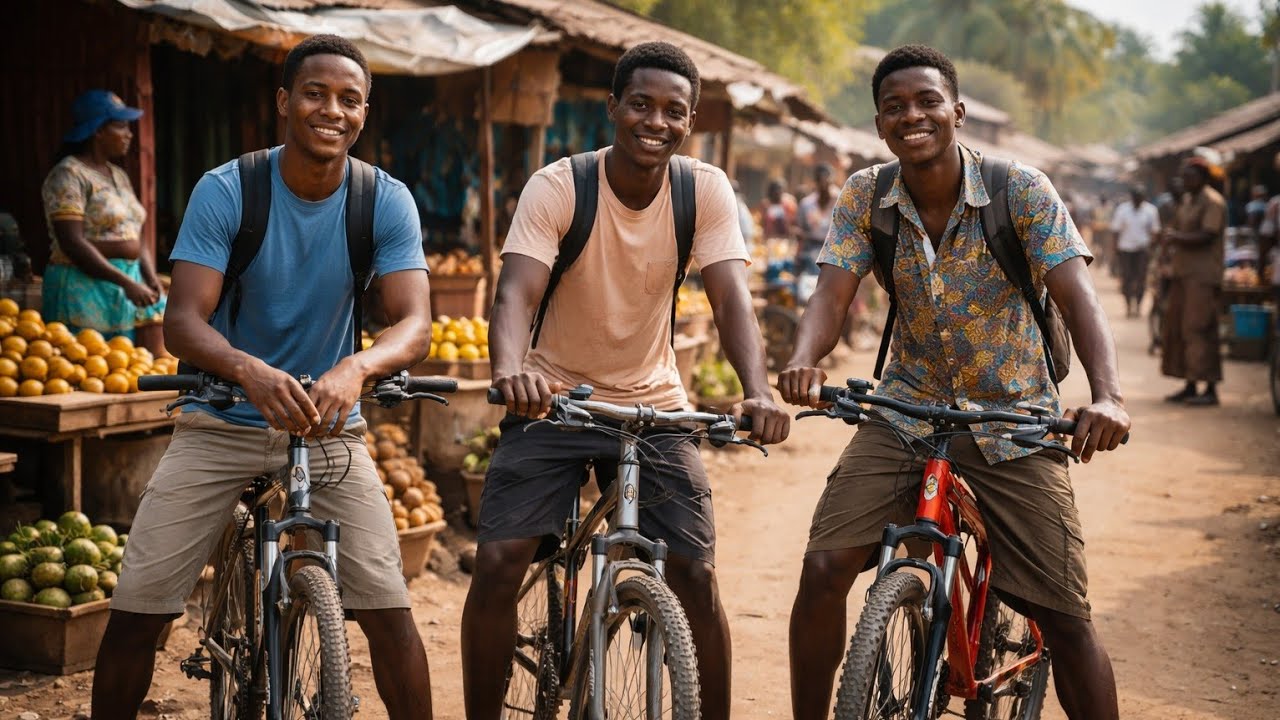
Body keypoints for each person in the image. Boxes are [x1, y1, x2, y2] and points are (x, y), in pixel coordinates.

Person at [776, 45, 1130, 720]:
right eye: (895, 106)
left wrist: (1108, 395)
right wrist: (803, 358)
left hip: (1015, 422)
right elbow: (831, 294)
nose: (913, 115)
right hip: (906, 410)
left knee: (1063, 614)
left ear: (957, 112)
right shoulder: (867, 194)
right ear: (880, 124)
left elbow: (1079, 297)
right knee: (823, 571)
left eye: (928, 101)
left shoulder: (1020, 190)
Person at [91, 35, 436, 719]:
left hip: (331, 427)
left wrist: (356, 368)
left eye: (348, 99)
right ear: (284, 101)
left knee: (390, 612)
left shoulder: (384, 200)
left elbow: (414, 324)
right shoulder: (229, 189)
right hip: (221, 419)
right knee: (140, 607)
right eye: (315, 93)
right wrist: (248, 372)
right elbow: (182, 322)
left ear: (364, 113)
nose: (330, 110)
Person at [460, 41, 790, 720]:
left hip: (654, 404)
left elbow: (730, 301)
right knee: (498, 565)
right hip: (553, 397)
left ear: (689, 121)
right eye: (641, 103)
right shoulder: (559, 187)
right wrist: (510, 372)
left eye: (674, 110)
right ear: (614, 108)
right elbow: (515, 296)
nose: (656, 121)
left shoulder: (704, 191)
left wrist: (758, 388)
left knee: (695, 579)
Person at [41, 89, 167, 355]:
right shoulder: (69, 174)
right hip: (83, 286)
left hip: (124, 286)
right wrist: (125, 282)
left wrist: (149, 275)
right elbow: (72, 242)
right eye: (121, 126)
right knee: (85, 362)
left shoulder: (118, 175)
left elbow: (135, 232)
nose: (129, 134)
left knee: (122, 365)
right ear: (98, 131)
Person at [1160, 156, 1227, 406]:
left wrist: (1175, 237)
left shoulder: (1213, 202)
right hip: (1183, 274)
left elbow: (1207, 235)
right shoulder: (1187, 201)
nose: (1185, 181)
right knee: (1179, 328)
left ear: (1203, 178)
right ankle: (1190, 383)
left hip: (1203, 277)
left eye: (1190, 177)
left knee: (1200, 328)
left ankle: (1209, 387)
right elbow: (1176, 230)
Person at [1110, 185, 1160, 317]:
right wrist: (1115, 249)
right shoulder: (1122, 210)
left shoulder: (1151, 210)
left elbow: (1155, 231)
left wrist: (1152, 249)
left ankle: (1138, 306)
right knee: (1126, 278)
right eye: (1136, 197)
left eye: (1140, 198)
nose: (1138, 200)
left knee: (1141, 279)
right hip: (1125, 250)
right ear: (1132, 198)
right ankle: (1128, 306)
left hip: (1142, 250)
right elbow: (1116, 230)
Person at [796, 163, 841, 270]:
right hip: (811, 250)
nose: (824, 184)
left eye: (827, 181)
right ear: (815, 182)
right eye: (821, 181)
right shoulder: (807, 204)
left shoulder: (842, 201)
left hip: (836, 251)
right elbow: (800, 229)